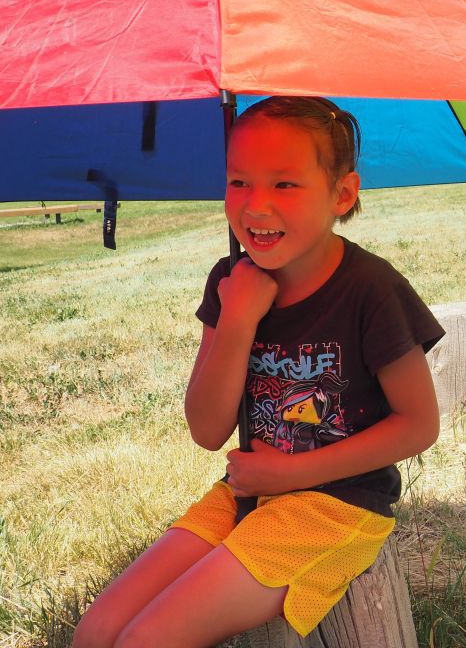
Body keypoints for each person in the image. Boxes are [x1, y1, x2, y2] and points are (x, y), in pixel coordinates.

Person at [73, 97, 444, 648]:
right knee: (97, 632)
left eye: (285, 185)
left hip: (337, 507)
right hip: (246, 491)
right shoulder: (230, 281)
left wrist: (289, 476)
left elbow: (419, 425)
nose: (255, 207)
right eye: (239, 182)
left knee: (145, 639)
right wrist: (238, 318)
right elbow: (207, 429)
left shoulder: (371, 290)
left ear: (342, 194)